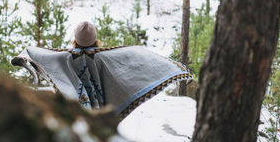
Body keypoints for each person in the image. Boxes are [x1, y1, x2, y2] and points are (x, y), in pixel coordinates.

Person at [12, 21, 192, 118]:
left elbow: (38, 54)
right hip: (102, 112)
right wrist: (178, 70)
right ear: (95, 40)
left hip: (74, 111)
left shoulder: (65, 56)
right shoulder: (105, 56)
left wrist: (22, 57)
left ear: (75, 39)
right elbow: (138, 57)